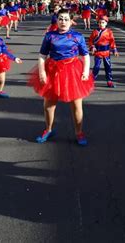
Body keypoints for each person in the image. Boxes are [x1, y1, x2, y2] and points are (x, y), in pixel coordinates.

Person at [27, 9, 94, 146]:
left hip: (72, 70)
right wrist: (42, 72)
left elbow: (85, 56)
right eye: (61, 19)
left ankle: (79, 132)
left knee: (76, 105)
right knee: (49, 105)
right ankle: (48, 129)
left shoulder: (77, 36)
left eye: (66, 19)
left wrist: (86, 72)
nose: (63, 22)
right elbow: (42, 56)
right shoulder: (49, 36)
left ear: (71, 21)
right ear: (57, 20)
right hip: (52, 70)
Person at [88, 15, 118, 88]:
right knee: (96, 67)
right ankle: (91, 81)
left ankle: (109, 81)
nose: (101, 24)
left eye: (103, 22)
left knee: (108, 67)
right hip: (98, 53)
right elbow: (90, 41)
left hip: (106, 52)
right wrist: (92, 47)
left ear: (106, 23)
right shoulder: (95, 32)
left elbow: (112, 41)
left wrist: (114, 50)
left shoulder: (109, 32)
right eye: (100, 22)